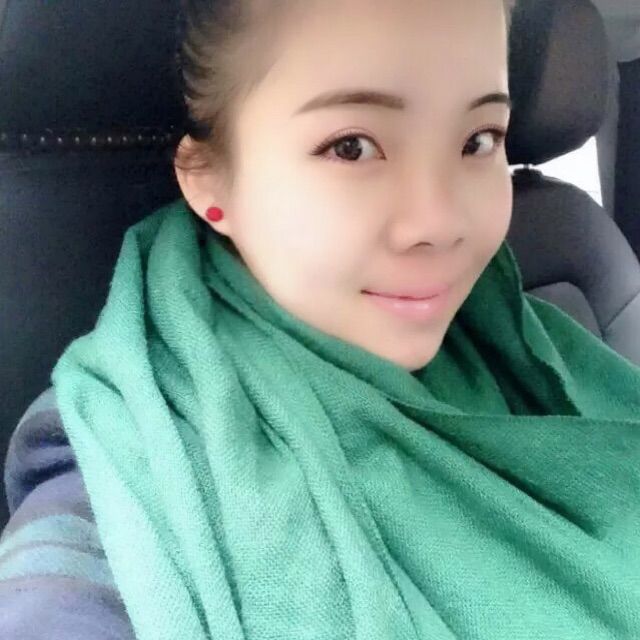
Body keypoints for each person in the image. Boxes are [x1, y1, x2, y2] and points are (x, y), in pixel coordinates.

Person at [2, 0, 640, 638]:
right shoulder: (130, 462)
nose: (441, 224)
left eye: (479, 140)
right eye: (351, 147)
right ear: (209, 180)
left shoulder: (532, 348)